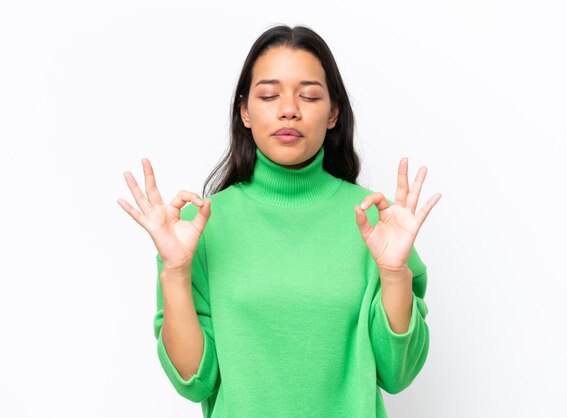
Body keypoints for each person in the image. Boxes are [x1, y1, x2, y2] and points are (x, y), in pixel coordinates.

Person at [117, 24, 441, 418]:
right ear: (245, 112)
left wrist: (394, 274)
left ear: (334, 111)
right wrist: (175, 269)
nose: (289, 108)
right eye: (269, 95)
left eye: (309, 95)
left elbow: (397, 373)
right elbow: (194, 381)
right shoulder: (197, 226)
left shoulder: (379, 223)